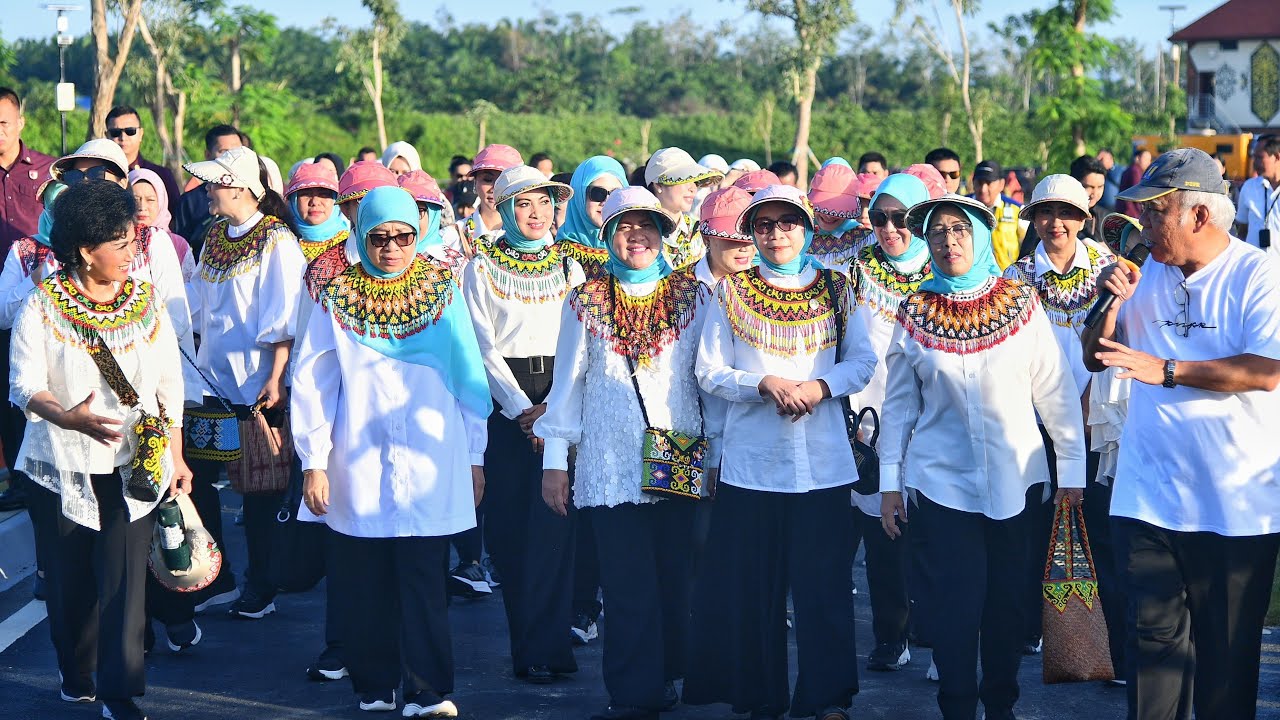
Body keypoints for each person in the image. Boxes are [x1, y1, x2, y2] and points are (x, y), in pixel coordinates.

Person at [1082, 147, 1280, 720]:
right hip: (1149, 497)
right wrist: (1111, 306)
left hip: (1235, 504)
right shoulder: (1142, 273)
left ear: (1199, 216)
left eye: (1154, 213)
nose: (1142, 226)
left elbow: (1267, 371)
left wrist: (1168, 371)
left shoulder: (1257, 273)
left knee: (1226, 664)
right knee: (1152, 657)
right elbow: (1096, 358)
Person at [878, 193, 1085, 720]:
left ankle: (1001, 705)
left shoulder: (1019, 302)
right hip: (941, 483)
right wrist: (889, 485)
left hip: (1018, 481)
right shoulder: (916, 310)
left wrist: (1072, 471)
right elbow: (899, 407)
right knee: (951, 609)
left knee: (1006, 608)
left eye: (959, 230)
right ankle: (956, 707)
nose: (949, 242)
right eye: (938, 232)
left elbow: (1055, 392)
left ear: (979, 235)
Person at [292, 185, 488, 717]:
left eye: (404, 236)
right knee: (365, 582)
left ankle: (429, 691)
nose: (392, 248)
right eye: (379, 237)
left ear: (418, 233)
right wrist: (313, 460)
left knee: (425, 581)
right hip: (358, 461)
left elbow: (469, 376)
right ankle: (374, 685)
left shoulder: (442, 290)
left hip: (432, 460)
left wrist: (475, 454)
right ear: (361, 235)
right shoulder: (336, 293)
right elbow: (312, 380)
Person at [686, 184, 876, 720]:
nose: (775, 234)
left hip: (823, 464)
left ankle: (828, 697)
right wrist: (762, 383)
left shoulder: (838, 289)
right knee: (755, 592)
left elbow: (863, 362)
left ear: (807, 227)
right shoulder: (730, 292)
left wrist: (819, 387)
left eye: (786, 222)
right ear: (751, 232)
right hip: (753, 465)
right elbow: (709, 370)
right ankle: (759, 696)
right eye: (764, 225)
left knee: (824, 590)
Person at [10, 180, 190, 720]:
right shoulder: (43, 305)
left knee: (124, 582)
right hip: (60, 465)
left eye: (133, 239)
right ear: (86, 252)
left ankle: (120, 691)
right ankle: (76, 670)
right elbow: (24, 383)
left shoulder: (146, 301)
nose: (132, 250)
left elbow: (168, 384)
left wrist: (176, 454)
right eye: (121, 242)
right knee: (70, 584)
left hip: (133, 464)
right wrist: (69, 417)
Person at [536, 186, 717, 720]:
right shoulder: (585, 301)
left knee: (671, 576)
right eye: (623, 226)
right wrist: (554, 463)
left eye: (646, 225)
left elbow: (706, 383)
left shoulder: (695, 297)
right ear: (606, 234)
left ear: (663, 233)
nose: (635, 236)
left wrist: (716, 456)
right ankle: (633, 691)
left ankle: (665, 674)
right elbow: (566, 385)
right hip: (609, 460)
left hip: (677, 449)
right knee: (626, 580)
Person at [462, 165, 584, 683]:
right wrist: (519, 412)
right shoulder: (480, 266)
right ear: (505, 209)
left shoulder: (570, 267)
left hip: (561, 396)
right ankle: (527, 648)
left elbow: (581, 343)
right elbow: (481, 348)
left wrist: (554, 409)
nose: (536, 214)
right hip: (504, 406)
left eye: (545, 203)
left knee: (557, 525)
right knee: (513, 530)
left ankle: (555, 645)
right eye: (524, 205)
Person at [1004, 173, 1125, 673]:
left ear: (1084, 218)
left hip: (1095, 418)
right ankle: (1026, 632)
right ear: (1032, 219)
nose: (1056, 223)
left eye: (1067, 213)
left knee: (1102, 533)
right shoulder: (1015, 277)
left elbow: (1121, 340)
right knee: (1029, 526)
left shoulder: (1108, 269)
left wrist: (1089, 396)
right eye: (1045, 213)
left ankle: (1110, 645)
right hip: (1034, 420)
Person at [184, 146, 306, 620]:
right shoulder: (214, 235)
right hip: (210, 382)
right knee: (199, 480)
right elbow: (198, 297)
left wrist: (276, 378)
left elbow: (283, 312)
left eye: (216, 183)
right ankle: (219, 577)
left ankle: (263, 583)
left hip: (256, 387)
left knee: (260, 489)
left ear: (239, 186)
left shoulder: (276, 240)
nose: (209, 190)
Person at [847, 173, 933, 674]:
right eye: (879, 217)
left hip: (935, 418)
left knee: (937, 536)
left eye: (901, 218)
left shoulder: (944, 266)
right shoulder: (858, 270)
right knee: (883, 534)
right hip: (873, 421)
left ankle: (940, 636)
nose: (890, 228)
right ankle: (890, 635)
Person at [0, 86, 56, 512]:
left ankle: (35, 475)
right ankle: (17, 479)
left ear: (20, 122)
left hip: (38, 292)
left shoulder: (47, 172)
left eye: (3, 122)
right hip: (5, 296)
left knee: (31, 387)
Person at [172, 124, 247, 256]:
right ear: (207, 154)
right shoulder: (189, 201)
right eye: (224, 151)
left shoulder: (252, 194)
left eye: (236, 151)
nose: (231, 158)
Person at [645, 148, 724, 270]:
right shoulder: (639, 230)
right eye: (684, 179)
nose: (693, 189)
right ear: (658, 185)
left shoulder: (699, 231)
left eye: (696, 182)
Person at [557, 156, 628, 280]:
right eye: (597, 193)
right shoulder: (556, 257)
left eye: (616, 194)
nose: (606, 201)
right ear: (580, 196)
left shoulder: (637, 250)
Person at [105, 105, 181, 218]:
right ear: (107, 135)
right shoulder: (99, 175)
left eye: (130, 131)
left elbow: (175, 217)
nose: (123, 137)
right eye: (115, 132)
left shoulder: (161, 175)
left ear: (141, 133)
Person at [456, 144, 524, 260]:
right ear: (475, 182)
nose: (495, 188)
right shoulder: (452, 237)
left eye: (504, 181)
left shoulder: (532, 234)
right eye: (487, 180)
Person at [129, 168, 195, 282]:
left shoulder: (177, 245)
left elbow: (190, 289)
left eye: (150, 200)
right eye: (135, 200)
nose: (142, 207)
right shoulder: (117, 242)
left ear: (161, 201)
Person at [807, 162, 868, 270]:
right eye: (823, 206)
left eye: (838, 209)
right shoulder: (799, 236)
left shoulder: (866, 239)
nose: (829, 216)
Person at [692, 186, 756, 288]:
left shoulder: (768, 284)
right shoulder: (672, 287)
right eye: (734, 239)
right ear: (707, 239)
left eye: (751, 237)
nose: (745, 248)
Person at [969, 160, 1027, 270]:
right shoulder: (961, 208)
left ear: (1001, 184)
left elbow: (1028, 246)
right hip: (972, 279)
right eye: (979, 183)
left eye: (988, 183)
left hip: (1007, 277)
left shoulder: (1017, 210)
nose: (983, 189)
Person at [286, 162, 350, 263]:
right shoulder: (281, 242)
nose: (315, 202)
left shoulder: (349, 245)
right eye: (305, 194)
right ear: (294, 201)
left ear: (335, 200)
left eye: (324, 195)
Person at [1234, 134, 1279, 252]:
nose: (1254, 163)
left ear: (1277, 157)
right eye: (1254, 157)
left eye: (1259, 157)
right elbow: (1242, 231)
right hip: (1254, 267)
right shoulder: (1249, 187)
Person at [1070, 154, 1112, 238]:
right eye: (1089, 187)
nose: (1094, 194)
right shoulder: (1058, 214)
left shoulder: (1106, 219)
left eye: (1100, 187)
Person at [1116, 148, 1152, 217]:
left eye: (1149, 160)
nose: (1148, 163)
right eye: (1146, 159)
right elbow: (1138, 193)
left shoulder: (1132, 169)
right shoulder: (1135, 171)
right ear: (1137, 158)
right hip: (1130, 212)